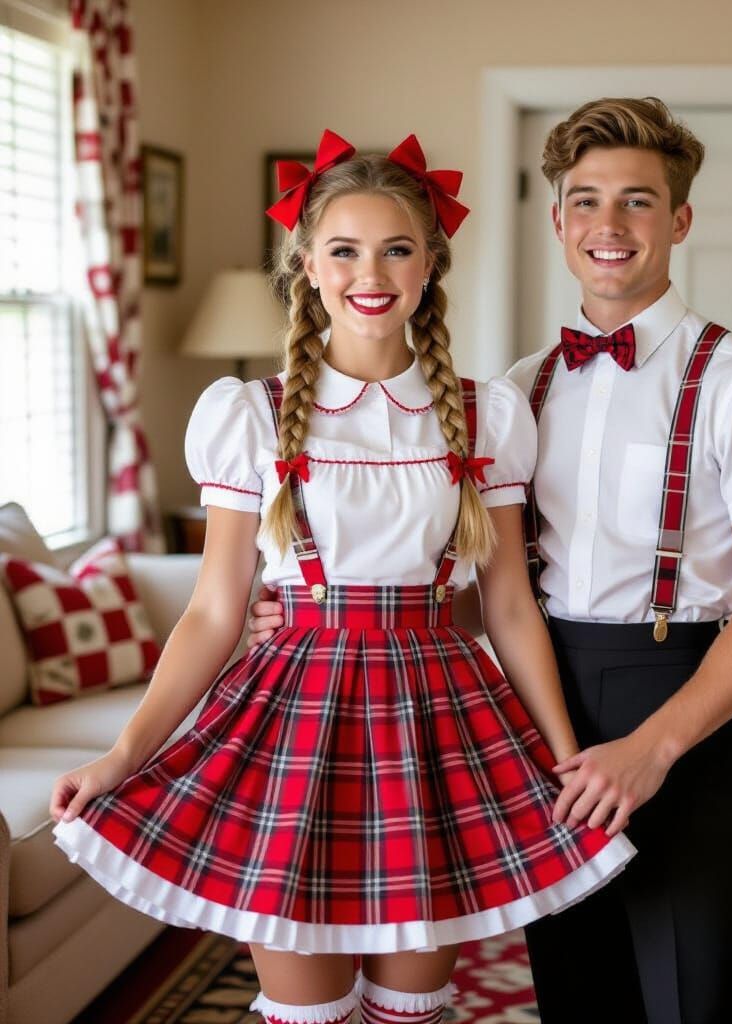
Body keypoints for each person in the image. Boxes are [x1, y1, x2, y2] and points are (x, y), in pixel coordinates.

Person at [249, 97, 732, 1024]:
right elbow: (495, 592)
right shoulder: (515, 393)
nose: (609, 225)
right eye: (586, 200)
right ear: (557, 222)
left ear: (679, 220)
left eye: (638, 201)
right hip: (536, 697)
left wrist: (654, 747)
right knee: (577, 986)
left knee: (693, 991)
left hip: (678, 690)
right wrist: (325, 612)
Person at [49, 130, 635, 1024]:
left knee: (413, 1009)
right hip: (289, 719)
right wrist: (125, 754)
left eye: (398, 248)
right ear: (308, 267)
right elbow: (214, 610)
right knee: (309, 1015)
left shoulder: (487, 414)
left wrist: (559, 755)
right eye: (345, 249)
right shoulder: (248, 415)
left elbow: (511, 604)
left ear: (432, 263)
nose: (373, 272)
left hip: (436, 722)